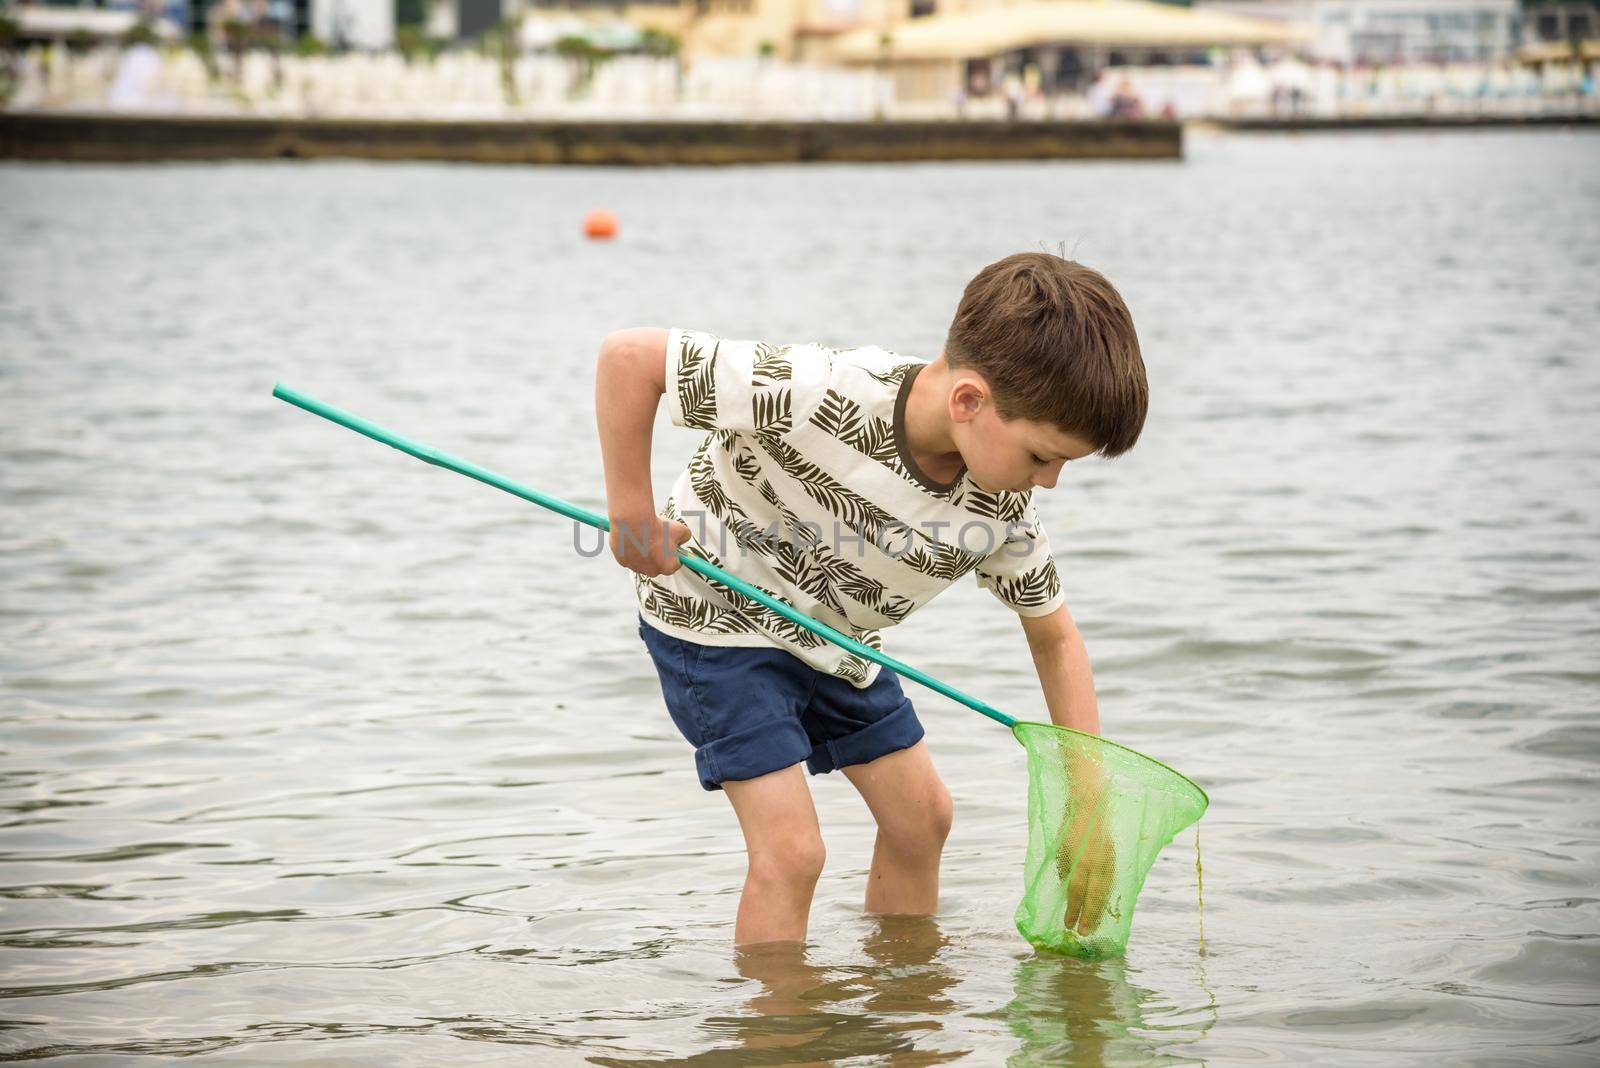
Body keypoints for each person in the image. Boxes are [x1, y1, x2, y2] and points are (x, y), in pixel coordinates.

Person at [593, 252, 1147, 947]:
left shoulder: (1002, 508)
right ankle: (778, 1041)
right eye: (1042, 456)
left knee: (924, 821)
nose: (1051, 482)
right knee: (794, 854)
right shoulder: (823, 389)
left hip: (830, 639)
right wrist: (632, 515)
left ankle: (899, 1006)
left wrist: (1087, 796)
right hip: (712, 619)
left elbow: (1056, 638)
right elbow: (627, 360)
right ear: (969, 402)